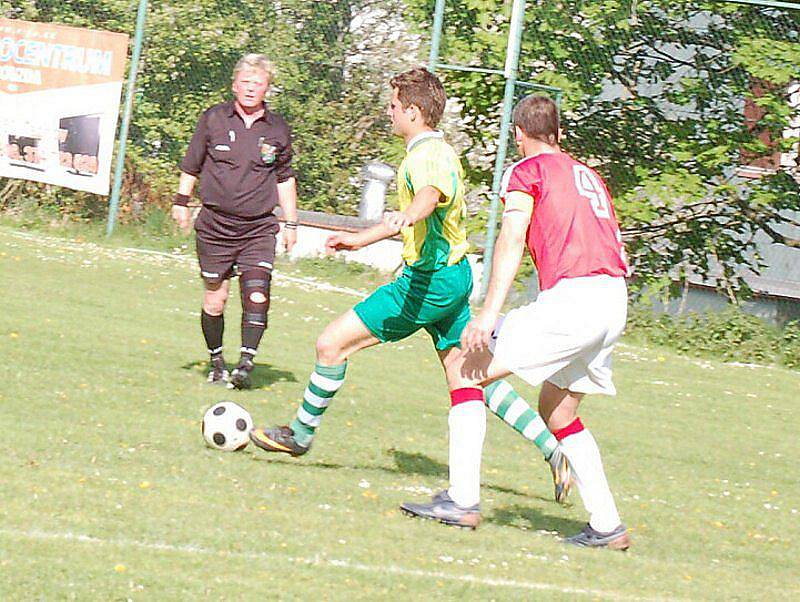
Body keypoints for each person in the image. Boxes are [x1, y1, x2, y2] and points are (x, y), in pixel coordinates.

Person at [249, 68, 571, 526]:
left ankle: (300, 435)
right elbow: (423, 211)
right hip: (452, 277)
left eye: (395, 106)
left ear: (414, 112)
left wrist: (396, 222)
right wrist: (376, 238)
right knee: (469, 375)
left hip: (429, 284)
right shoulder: (437, 149)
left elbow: (429, 196)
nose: (390, 112)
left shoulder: (427, 154)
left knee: (331, 343)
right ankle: (554, 448)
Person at [401, 95, 631, 549]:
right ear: (559, 134)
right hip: (615, 298)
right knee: (559, 411)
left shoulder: (526, 171)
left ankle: (462, 500)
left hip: (576, 298)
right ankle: (607, 526)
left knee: (465, 368)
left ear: (518, 135)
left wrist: (487, 313)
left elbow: (511, 239)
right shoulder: (589, 174)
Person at [172, 53, 298, 389]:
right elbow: (191, 164)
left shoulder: (278, 129)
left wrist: (292, 223)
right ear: (234, 85)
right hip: (215, 226)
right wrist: (181, 202)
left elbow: (285, 178)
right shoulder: (214, 118)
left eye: (258, 84)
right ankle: (216, 361)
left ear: (267, 89)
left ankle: (245, 365)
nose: (250, 89)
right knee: (216, 298)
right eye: (245, 82)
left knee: (257, 294)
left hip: (258, 227)